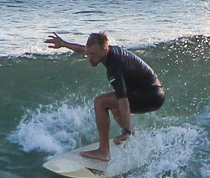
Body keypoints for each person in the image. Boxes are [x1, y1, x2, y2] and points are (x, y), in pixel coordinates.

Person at [44, 31, 165, 162]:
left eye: (93, 54)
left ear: (105, 50)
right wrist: (63, 44)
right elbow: (83, 50)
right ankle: (129, 137)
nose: (90, 57)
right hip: (146, 91)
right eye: (89, 53)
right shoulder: (104, 52)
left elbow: (123, 101)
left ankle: (104, 151)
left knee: (100, 102)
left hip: (151, 94)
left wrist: (126, 130)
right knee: (111, 105)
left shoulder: (115, 65)